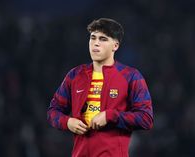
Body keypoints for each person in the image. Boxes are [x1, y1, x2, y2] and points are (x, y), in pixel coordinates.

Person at [47, 18, 153, 157]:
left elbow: (146, 119)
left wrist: (111, 116)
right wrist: (67, 122)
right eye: (93, 38)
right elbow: (53, 112)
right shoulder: (75, 75)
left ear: (115, 45)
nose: (96, 43)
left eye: (103, 39)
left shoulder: (130, 76)